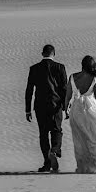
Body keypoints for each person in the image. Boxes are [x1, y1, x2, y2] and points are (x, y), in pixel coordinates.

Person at [25, 44, 68, 172]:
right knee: (57, 130)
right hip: (56, 105)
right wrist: (66, 106)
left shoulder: (34, 68)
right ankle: (54, 151)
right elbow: (64, 88)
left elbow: (29, 90)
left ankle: (47, 163)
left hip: (40, 106)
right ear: (53, 54)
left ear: (42, 53)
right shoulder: (60, 67)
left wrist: (28, 109)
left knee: (43, 134)